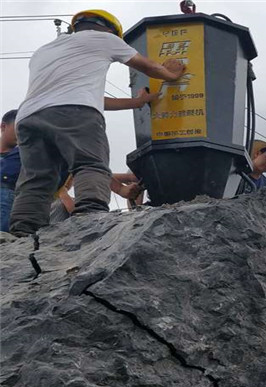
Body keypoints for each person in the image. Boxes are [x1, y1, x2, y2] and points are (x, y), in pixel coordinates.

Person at [9, 9, 186, 236]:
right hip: (75, 112)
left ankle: (22, 232)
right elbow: (147, 65)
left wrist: (137, 102)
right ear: (110, 29)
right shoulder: (105, 38)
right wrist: (170, 75)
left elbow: (87, 96)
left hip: (29, 116)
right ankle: (89, 216)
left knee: (37, 178)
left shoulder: (45, 50)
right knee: (90, 164)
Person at [0, 110, 20, 232]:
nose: (22, 132)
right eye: (18, 127)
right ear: (3, 126)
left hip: (9, 197)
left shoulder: (24, 154)